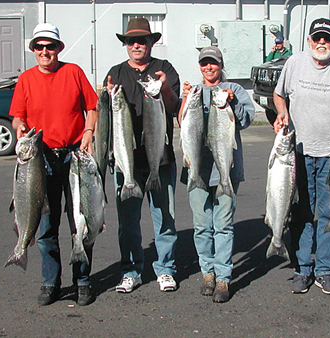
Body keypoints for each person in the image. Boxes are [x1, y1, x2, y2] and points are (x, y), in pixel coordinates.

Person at [9, 23, 98, 306]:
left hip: (74, 157)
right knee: (45, 224)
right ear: (33, 50)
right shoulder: (25, 79)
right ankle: (51, 282)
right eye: (39, 46)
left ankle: (82, 280)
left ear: (59, 48)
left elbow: (92, 108)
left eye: (50, 46)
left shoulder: (73, 72)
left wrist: (88, 133)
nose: (44, 51)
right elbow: (17, 117)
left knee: (80, 222)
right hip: (40, 159)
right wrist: (20, 127)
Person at [273, 18, 330, 295]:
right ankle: (302, 269)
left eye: (328, 39)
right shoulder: (294, 62)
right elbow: (278, 95)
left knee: (329, 212)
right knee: (300, 212)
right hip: (297, 152)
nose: (322, 43)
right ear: (309, 41)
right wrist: (281, 112)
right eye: (317, 38)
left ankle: (325, 270)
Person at [104, 18, 180, 293]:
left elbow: (173, 106)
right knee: (128, 222)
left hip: (160, 159)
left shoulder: (164, 69)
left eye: (142, 40)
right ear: (125, 45)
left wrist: (165, 88)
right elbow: (105, 116)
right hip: (127, 162)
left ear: (152, 42)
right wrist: (107, 96)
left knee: (165, 219)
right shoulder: (115, 73)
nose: (136, 45)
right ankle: (131, 270)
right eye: (130, 41)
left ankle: (166, 269)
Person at [178, 46, 254, 303]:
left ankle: (223, 278)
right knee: (201, 226)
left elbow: (244, 121)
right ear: (200, 66)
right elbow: (182, 123)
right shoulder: (195, 92)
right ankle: (207, 273)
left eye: (213, 63)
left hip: (226, 171)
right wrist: (186, 99)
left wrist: (231, 101)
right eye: (204, 64)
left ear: (221, 64)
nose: (209, 68)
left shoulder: (234, 90)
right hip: (197, 170)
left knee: (223, 226)